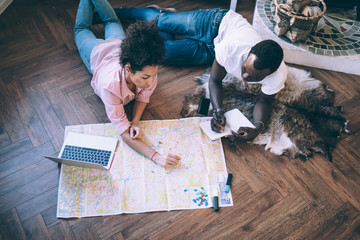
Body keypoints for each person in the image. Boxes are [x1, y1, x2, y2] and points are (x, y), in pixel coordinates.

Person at [109, 7, 288, 141]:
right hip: (215, 23)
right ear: (247, 54)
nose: (245, 78)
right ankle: (120, 12)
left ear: (270, 73)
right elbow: (215, 81)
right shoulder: (232, 48)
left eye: (254, 77)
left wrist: (257, 128)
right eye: (244, 70)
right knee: (159, 21)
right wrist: (218, 109)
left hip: (212, 52)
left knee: (164, 53)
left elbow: (265, 100)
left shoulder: (278, 76)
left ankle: (172, 31)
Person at [73, 0, 181, 167]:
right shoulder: (110, 88)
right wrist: (156, 156)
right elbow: (123, 132)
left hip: (118, 43)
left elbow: (143, 98)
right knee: (81, 29)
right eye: (145, 77)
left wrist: (136, 121)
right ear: (129, 68)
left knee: (113, 21)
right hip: (97, 53)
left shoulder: (148, 70)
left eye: (153, 75)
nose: (151, 82)